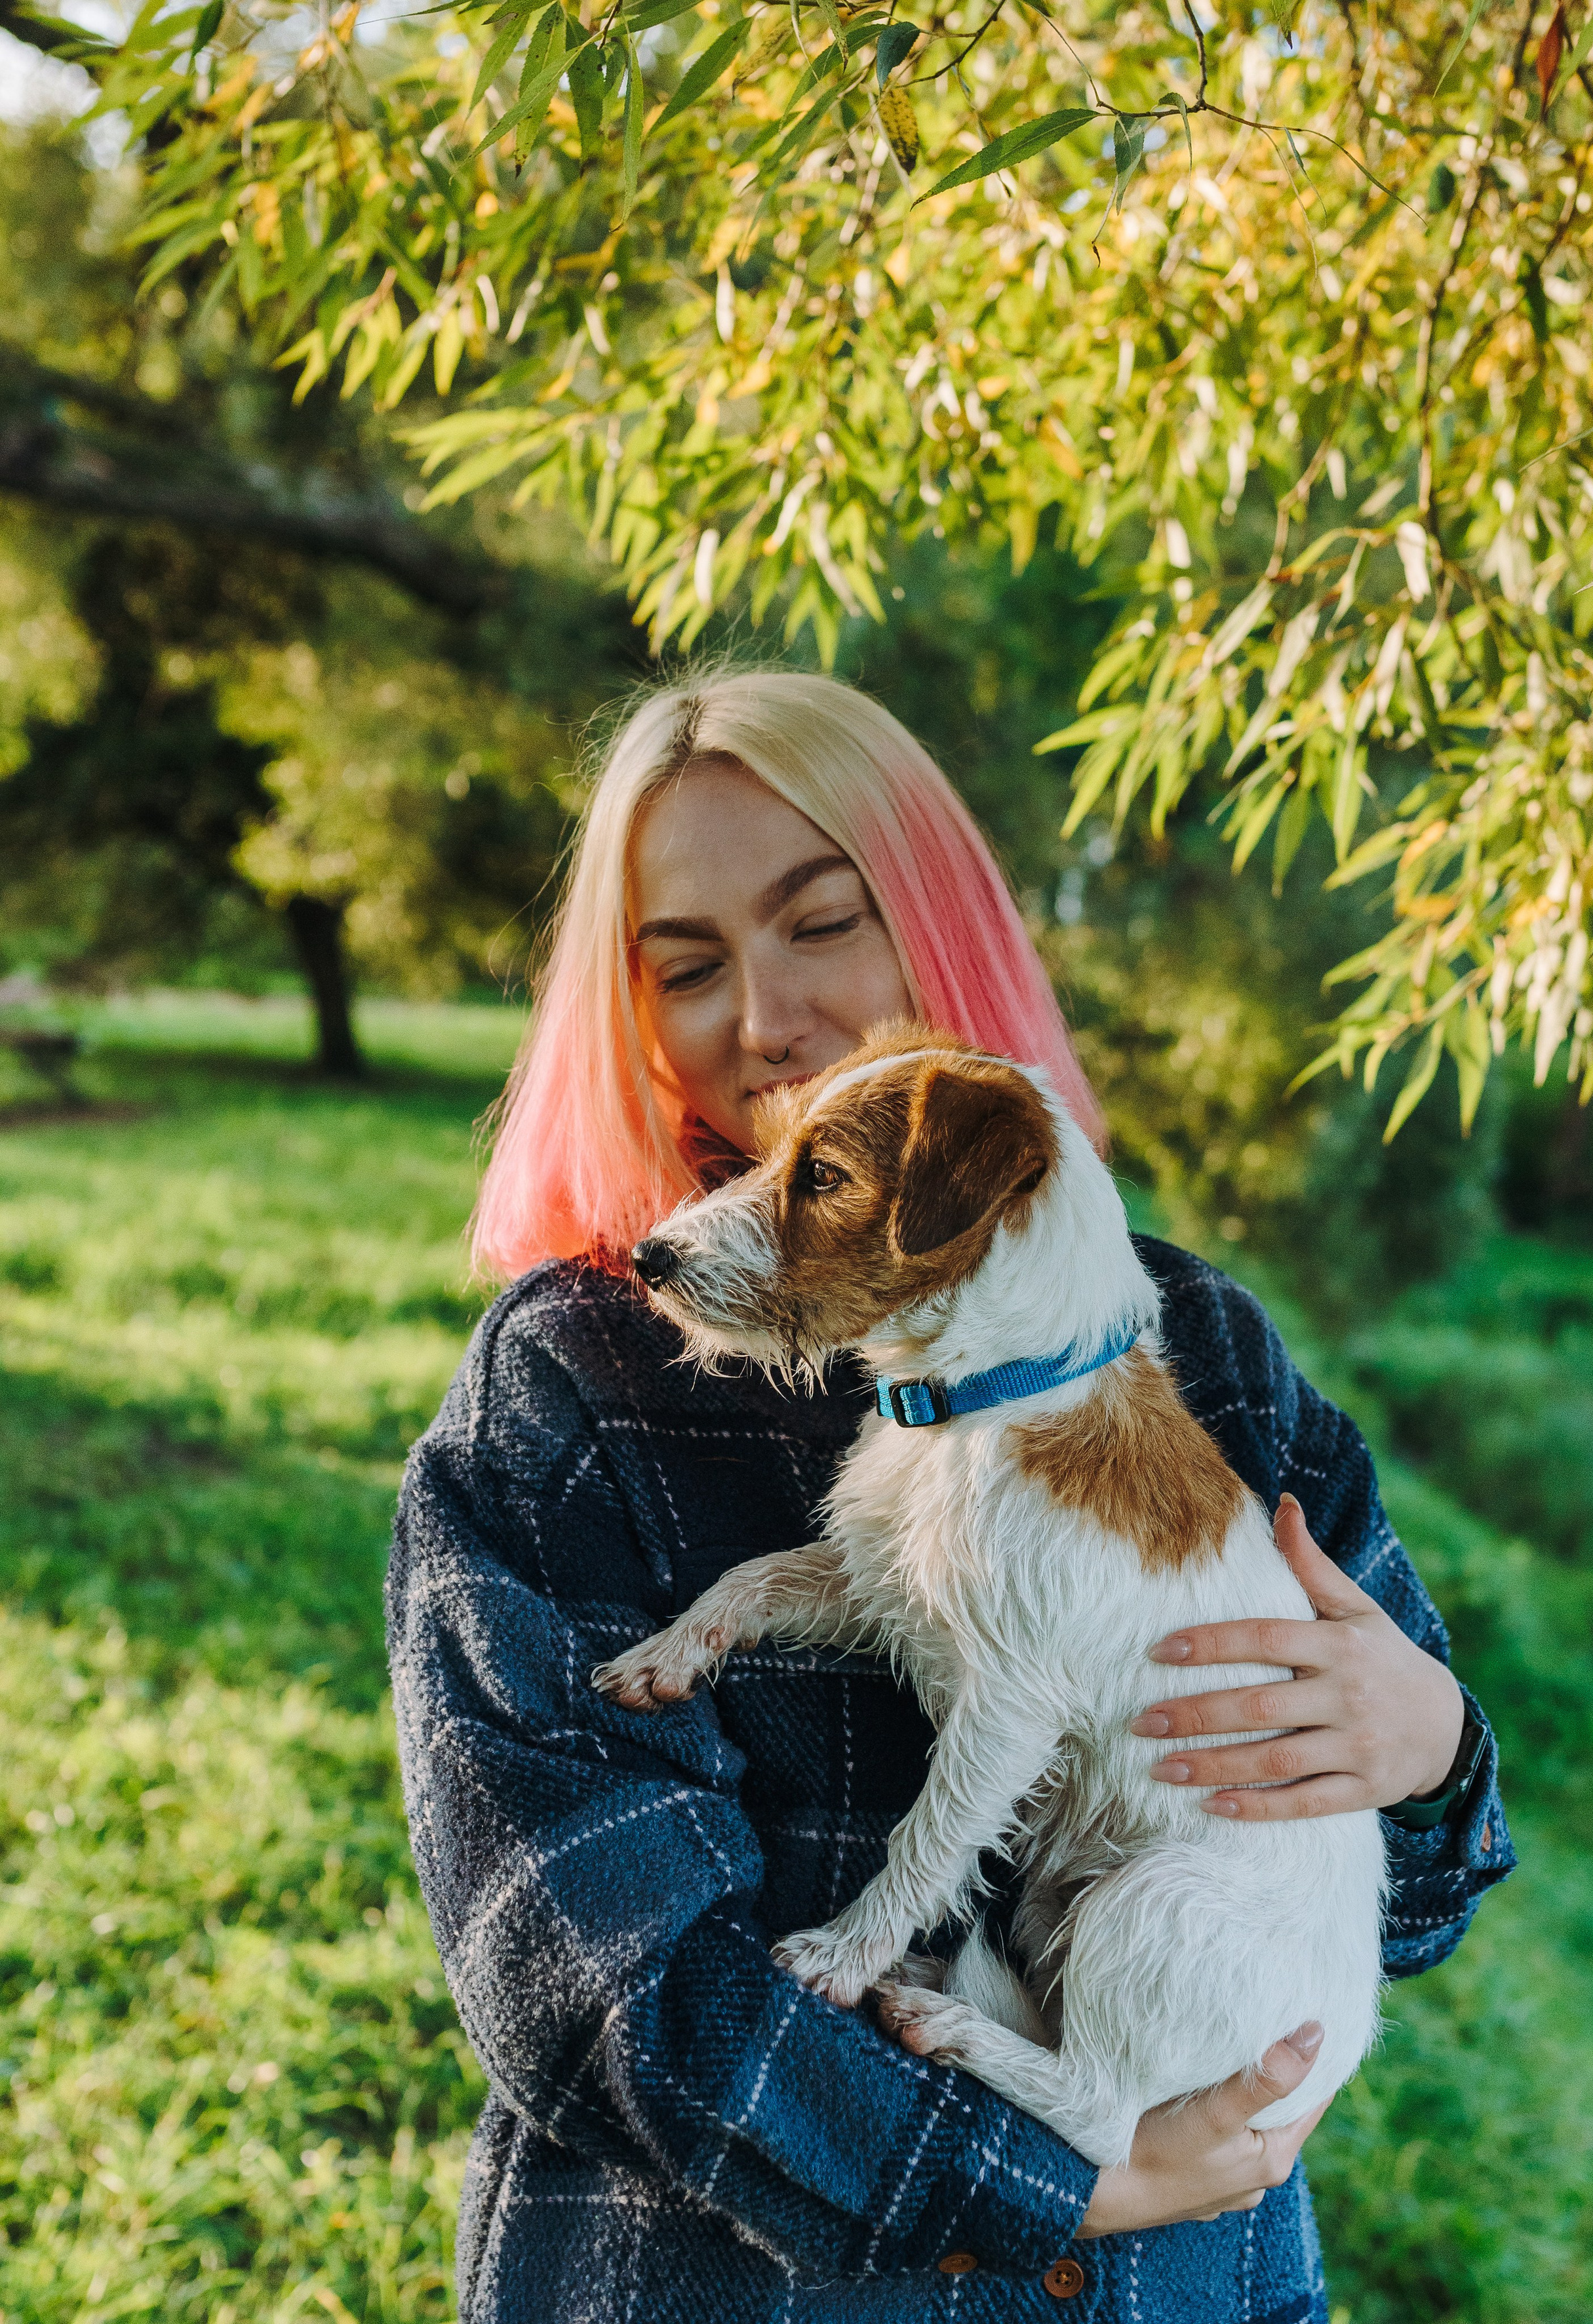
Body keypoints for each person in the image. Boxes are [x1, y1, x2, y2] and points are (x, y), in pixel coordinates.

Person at [388, 669, 1514, 2323]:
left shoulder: (1198, 1346)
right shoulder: (566, 1392)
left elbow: (1388, 1899)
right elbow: (576, 1958)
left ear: (936, 922)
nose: (762, 1017)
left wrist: (1430, 1755)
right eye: (683, 966)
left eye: (820, 922)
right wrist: (1055, 2182)